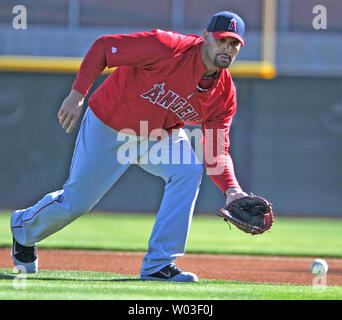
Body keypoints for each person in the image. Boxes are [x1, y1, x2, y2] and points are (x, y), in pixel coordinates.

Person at [10, 11, 248, 282]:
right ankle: (23, 227)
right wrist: (77, 94)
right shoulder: (166, 46)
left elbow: (216, 151)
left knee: (189, 170)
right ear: (206, 37)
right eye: (222, 41)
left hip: (158, 135)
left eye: (234, 44)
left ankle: (159, 265)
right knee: (76, 203)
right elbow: (103, 48)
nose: (227, 49)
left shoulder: (224, 94)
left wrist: (232, 190)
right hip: (110, 125)